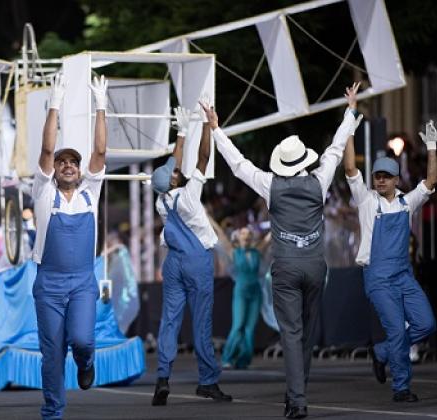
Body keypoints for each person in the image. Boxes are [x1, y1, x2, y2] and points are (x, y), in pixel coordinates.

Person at [202, 82, 363, 419]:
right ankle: (298, 389)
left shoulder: (271, 185)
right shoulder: (319, 181)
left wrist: (216, 128)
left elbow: (238, 164)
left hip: (287, 266)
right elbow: (335, 147)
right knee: (307, 330)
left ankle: (298, 399)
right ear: (304, 159)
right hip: (316, 266)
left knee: (291, 332)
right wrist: (350, 112)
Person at [343, 120, 437, 402]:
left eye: (386, 176)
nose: (380, 180)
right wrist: (348, 129)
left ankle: (382, 352)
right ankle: (401, 388)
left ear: (397, 179)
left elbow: (431, 181)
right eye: (377, 176)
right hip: (378, 278)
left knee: (427, 324)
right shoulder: (366, 200)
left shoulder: (408, 203)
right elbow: (349, 169)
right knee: (397, 330)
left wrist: (432, 146)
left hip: (403, 275)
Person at [31, 73, 107, 420]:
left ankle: (86, 362)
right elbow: (47, 148)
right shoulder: (44, 194)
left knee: (82, 340)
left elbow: (100, 151)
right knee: (51, 354)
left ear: (80, 171)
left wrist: (101, 107)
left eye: (73, 163)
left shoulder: (91, 193)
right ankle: (53, 412)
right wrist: (54, 104)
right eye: (62, 163)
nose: (68, 166)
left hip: (81, 282)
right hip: (48, 285)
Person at [150, 101, 232, 406]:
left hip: (173, 263)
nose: (175, 170)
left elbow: (173, 164)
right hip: (197, 261)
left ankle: (162, 379)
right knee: (201, 323)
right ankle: (208, 382)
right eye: (172, 173)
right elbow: (203, 157)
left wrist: (182, 134)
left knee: (169, 322)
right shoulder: (189, 193)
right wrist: (209, 127)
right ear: (173, 179)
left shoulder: (161, 202)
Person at [211, 224, 270, 369]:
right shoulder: (233, 252)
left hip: (255, 292)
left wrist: (283, 215)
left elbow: (271, 236)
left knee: (250, 328)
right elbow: (220, 232)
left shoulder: (257, 251)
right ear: (238, 237)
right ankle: (227, 358)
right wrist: (207, 215)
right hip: (241, 293)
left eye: (249, 234)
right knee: (238, 326)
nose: (247, 236)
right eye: (243, 233)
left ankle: (244, 360)